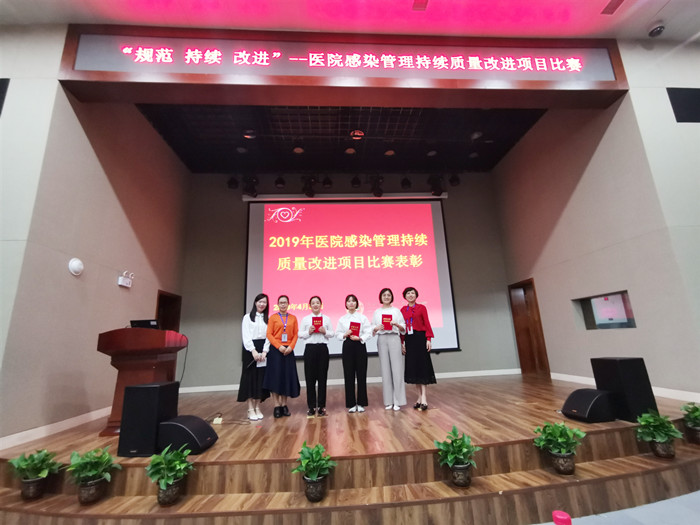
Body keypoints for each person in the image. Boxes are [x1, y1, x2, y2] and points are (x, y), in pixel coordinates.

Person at [263, 295, 301, 418]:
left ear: (288, 304)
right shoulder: (273, 318)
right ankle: (276, 406)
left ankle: (284, 405)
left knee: (286, 378)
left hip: (288, 351)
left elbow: (295, 334)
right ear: (278, 304)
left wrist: (291, 347)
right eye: (281, 303)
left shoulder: (293, 318)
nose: (283, 305)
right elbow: (269, 334)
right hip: (276, 351)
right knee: (275, 378)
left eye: (285, 302)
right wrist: (279, 346)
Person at [400, 286, 436, 411]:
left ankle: (424, 397)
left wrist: (428, 339)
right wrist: (402, 342)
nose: (410, 295)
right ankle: (419, 397)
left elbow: (427, 323)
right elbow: (402, 328)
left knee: (422, 367)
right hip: (409, 340)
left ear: (416, 295)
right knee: (414, 368)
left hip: (420, 339)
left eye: (412, 293)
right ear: (405, 296)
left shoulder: (422, 308)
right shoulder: (403, 310)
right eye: (408, 293)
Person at [336, 294, 373, 413]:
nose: (351, 303)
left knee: (361, 375)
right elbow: (337, 334)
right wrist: (344, 334)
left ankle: (361, 403)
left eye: (353, 301)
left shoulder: (363, 318)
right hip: (347, 346)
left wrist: (360, 338)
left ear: (357, 304)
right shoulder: (342, 319)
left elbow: (368, 332)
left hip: (360, 345)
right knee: (349, 375)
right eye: (349, 301)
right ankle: (351, 403)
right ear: (346, 304)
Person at [298, 296, 334, 417]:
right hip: (310, 349)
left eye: (317, 303)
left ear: (321, 305)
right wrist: (308, 332)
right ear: (310, 306)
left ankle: (322, 407)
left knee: (322, 379)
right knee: (310, 379)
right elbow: (299, 334)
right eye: (313, 303)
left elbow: (332, 334)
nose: (315, 305)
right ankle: (311, 407)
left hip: (322, 349)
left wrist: (325, 332)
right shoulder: (306, 319)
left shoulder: (327, 319)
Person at [237, 293, 271, 421]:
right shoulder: (247, 318)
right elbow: (246, 336)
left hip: (263, 350)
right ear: (255, 302)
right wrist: (253, 351)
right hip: (250, 350)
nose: (262, 304)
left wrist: (265, 351)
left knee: (260, 378)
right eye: (260, 302)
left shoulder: (268, 319)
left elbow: (269, 337)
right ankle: (250, 408)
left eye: (264, 302)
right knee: (250, 379)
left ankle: (257, 407)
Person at [372, 288, 406, 411]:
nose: (386, 297)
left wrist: (397, 325)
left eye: (388, 295)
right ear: (380, 297)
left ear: (392, 297)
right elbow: (372, 328)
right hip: (382, 339)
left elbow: (404, 327)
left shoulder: (396, 311)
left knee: (397, 370)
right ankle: (388, 401)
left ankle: (398, 400)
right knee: (385, 370)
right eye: (384, 295)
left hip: (394, 338)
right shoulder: (377, 312)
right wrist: (376, 328)